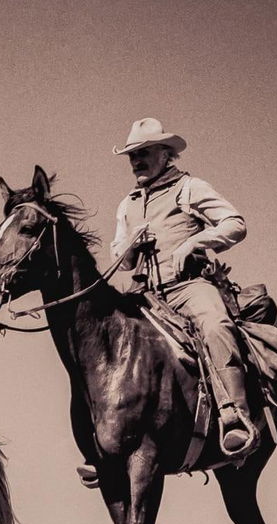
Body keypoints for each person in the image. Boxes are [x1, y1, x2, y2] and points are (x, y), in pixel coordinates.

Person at [108, 117, 258, 459]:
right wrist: (131, 244)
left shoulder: (190, 187)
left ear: (165, 154)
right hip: (145, 296)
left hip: (188, 287)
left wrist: (195, 242)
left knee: (216, 326)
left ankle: (235, 417)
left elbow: (235, 223)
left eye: (143, 152)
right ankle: (105, 439)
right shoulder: (126, 204)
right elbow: (122, 259)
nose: (136, 161)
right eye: (132, 156)